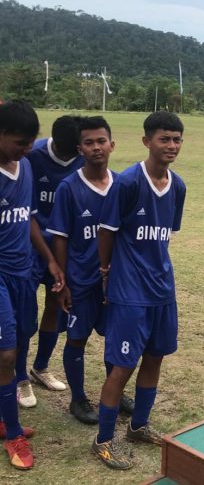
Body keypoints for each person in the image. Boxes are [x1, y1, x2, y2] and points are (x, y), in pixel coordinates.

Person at [92, 111, 186, 470]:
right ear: (147, 141)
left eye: (177, 139)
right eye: (164, 139)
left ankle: (138, 426)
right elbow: (107, 232)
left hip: (162, 289)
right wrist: (106, 272)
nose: (171, 145)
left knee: (155, 357)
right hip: (129, 293)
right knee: (122, 367)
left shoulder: (178, 186)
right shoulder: (128, 182)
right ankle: (102, 440)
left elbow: (164, 235)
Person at [47, 116, 133, 424]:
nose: (96, 147)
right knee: (77, 338)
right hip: (81, 281)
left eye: (101, 141)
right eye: (89, 142)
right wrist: (64, 281)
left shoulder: (123, 184)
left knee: (115, 338)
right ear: (79, 149)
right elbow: (60, 237)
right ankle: (78, 399)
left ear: (112, 145)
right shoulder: (68, 188)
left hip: (116, 281)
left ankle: (114, 390)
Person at [0, 100, 65, 470]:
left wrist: (50, 258)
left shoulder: (24, 166)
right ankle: (13, 434)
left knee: (22, 336)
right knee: (7, 354)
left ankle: (3, 416)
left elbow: (27, 219)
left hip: (22, 270)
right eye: (20, 143)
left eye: (31, 142)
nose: (27, 150)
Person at [22, 115, 84, 407]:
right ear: (55, 142)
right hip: (30, 246)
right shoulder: (31, 156)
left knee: (55, 305)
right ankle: (19, 378)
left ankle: (40, 367)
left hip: (62, 248)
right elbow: (27, 211)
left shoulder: (81, 157)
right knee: (25, 315)